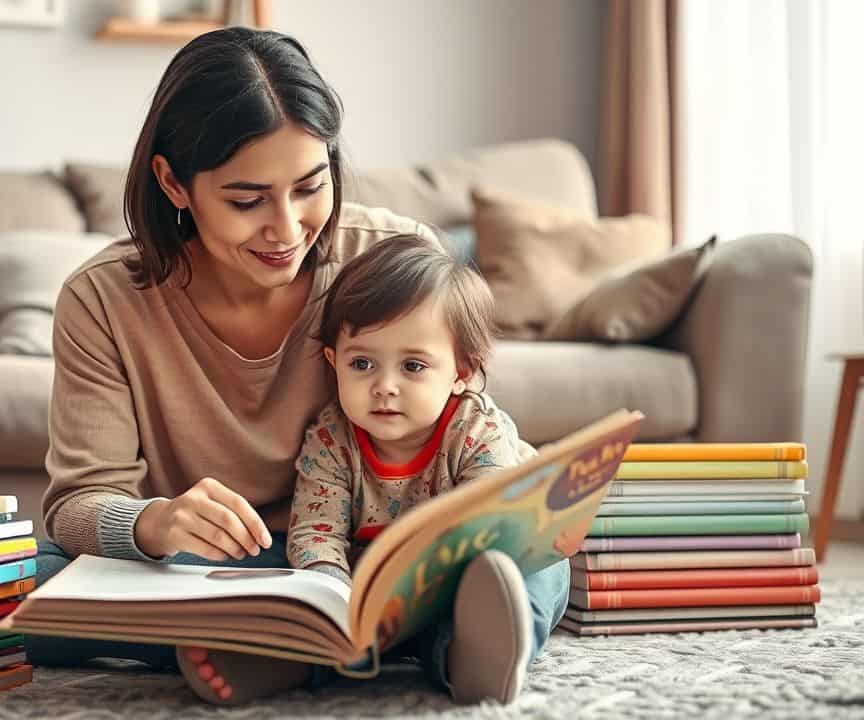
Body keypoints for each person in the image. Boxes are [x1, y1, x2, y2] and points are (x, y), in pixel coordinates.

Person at [29, 25, 453, 698]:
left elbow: (464, 429)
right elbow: (80, 503)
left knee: (528, 564)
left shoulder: (395, 258)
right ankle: (373, 642)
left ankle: (281, 644)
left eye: (310, 187)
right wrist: (154, 522)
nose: (286, 230)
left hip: (365, 552)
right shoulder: (103, 299)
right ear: (173, 183)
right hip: (206, 567)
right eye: (246, 200)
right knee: (20, 584)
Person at [178, 235, 571, 706]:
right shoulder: (330, 439)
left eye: (412, 366)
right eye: (362, 363)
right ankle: (283, 657)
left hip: (461, 589)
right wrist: (334, 605)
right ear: (334, 363)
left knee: (538, 570)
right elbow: (315, 534)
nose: (384, 387)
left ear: (462, 372)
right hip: (371, 604)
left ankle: (473, 658)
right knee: (295, 583)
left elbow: (490, 522)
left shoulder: (477, 430)